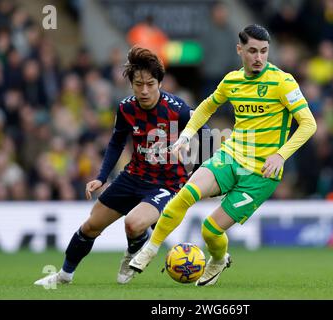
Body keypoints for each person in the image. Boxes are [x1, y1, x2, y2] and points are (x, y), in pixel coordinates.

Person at [128, 24, 317, 286]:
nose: (258, 57)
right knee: (186, 193)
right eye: (252, 51)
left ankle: (217, 260)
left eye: (264, 51)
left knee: (210, 229)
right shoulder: (232, 81)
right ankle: (150, 248)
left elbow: (309, 124)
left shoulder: (283, 82)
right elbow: (205, 108)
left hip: (262, 173)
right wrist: (184, 137)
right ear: (240, 50)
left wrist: (281, 156)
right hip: (231, 156)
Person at [34, 46, 211, 286]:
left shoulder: (177, 109)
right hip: (132, 176)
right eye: (139, 84)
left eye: (150, 84)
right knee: (90, 227)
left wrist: (197, 173)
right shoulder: (126, 107)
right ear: (131, 84)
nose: (144, 90)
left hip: (166, 183)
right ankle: (64, 276)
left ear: (160, 82)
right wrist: (102, 176)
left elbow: (207, 134)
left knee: (133, 223)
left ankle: (132, 252)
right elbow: (117, 141)